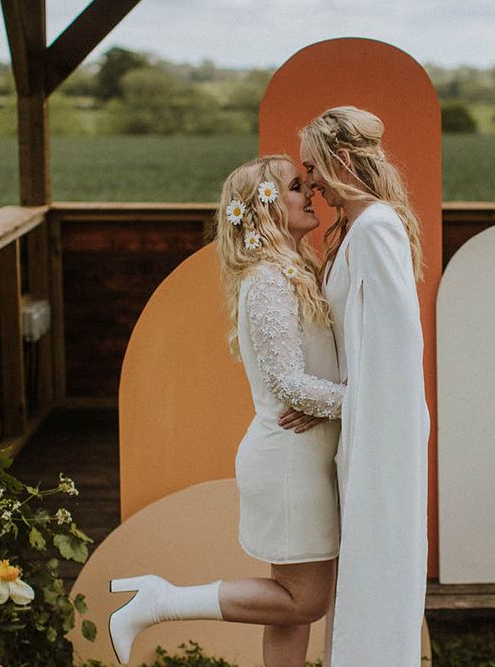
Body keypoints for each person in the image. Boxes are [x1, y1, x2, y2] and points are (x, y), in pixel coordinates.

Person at [108, 155, 346, 667]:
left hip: (301, 458)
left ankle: (160, 600)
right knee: (306, 600)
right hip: (289, 464)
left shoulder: (297, 269)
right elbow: (290, 385)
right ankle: (161, 600)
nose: (311, 193)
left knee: (291, 610)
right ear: (264, 207)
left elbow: (309, 384)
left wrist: (330, 400)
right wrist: (358, 401)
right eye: (296, 186)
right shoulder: (267, 280)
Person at [282, 106, 430, 666]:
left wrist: (347, 408)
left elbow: (397, 345)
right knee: (362, 567)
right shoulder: (357, 229)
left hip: (382, 435)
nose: (311, 183)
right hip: (363, 426)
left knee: (380, 565)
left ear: (339, 160)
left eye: (313, 168)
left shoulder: (377, 228)